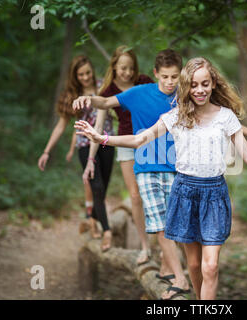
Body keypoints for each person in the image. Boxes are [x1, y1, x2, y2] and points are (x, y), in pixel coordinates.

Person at [74, 56, 247, 300]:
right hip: (184, 193)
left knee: (210, 266)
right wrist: (102, 138)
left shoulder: (226, 117)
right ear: (186, 87)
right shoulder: (177, 115)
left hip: (214, 194)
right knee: (193, 265)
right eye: (193, 85)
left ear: (213, 84)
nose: (199, 90)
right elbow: (139, 139)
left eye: (204, 83)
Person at [84, 45, 154, 263]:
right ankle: (145, 247)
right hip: (125, 143)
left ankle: (167, 243)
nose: (128, 73)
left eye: (131, 68)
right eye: (123, 68)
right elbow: (99, 126)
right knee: (135, 196)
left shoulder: (144, 81)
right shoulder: (107, 91)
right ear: (114, 66)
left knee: (156, 192)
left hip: (151, 139)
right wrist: (90, 159)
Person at [38, 55, 114, 251]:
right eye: (81, 74)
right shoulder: (72, 94)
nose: (85, 77)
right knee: (95, 184)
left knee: (103, 186)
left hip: (107, 140)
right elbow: (61, 126)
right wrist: (47, 151)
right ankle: (106, 230)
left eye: (88, 72)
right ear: (75, 75)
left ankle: (91, 218)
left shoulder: (102, 86)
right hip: (84, 144)